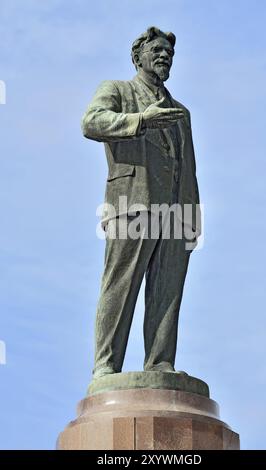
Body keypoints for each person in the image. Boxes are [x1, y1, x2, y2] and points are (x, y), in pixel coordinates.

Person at [81, 26, 201, 379]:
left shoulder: (181, 111)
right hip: (132, 203)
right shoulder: (118, 90)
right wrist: (139, 121)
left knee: (168, 295)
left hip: (176, 213)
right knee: (120, 285)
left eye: (170, 53)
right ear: (139, 56)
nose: (165, 56)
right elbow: (91, 122)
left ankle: (160, 363)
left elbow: (187, 163)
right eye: (157, 50)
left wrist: (192, 217)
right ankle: (106, 366)